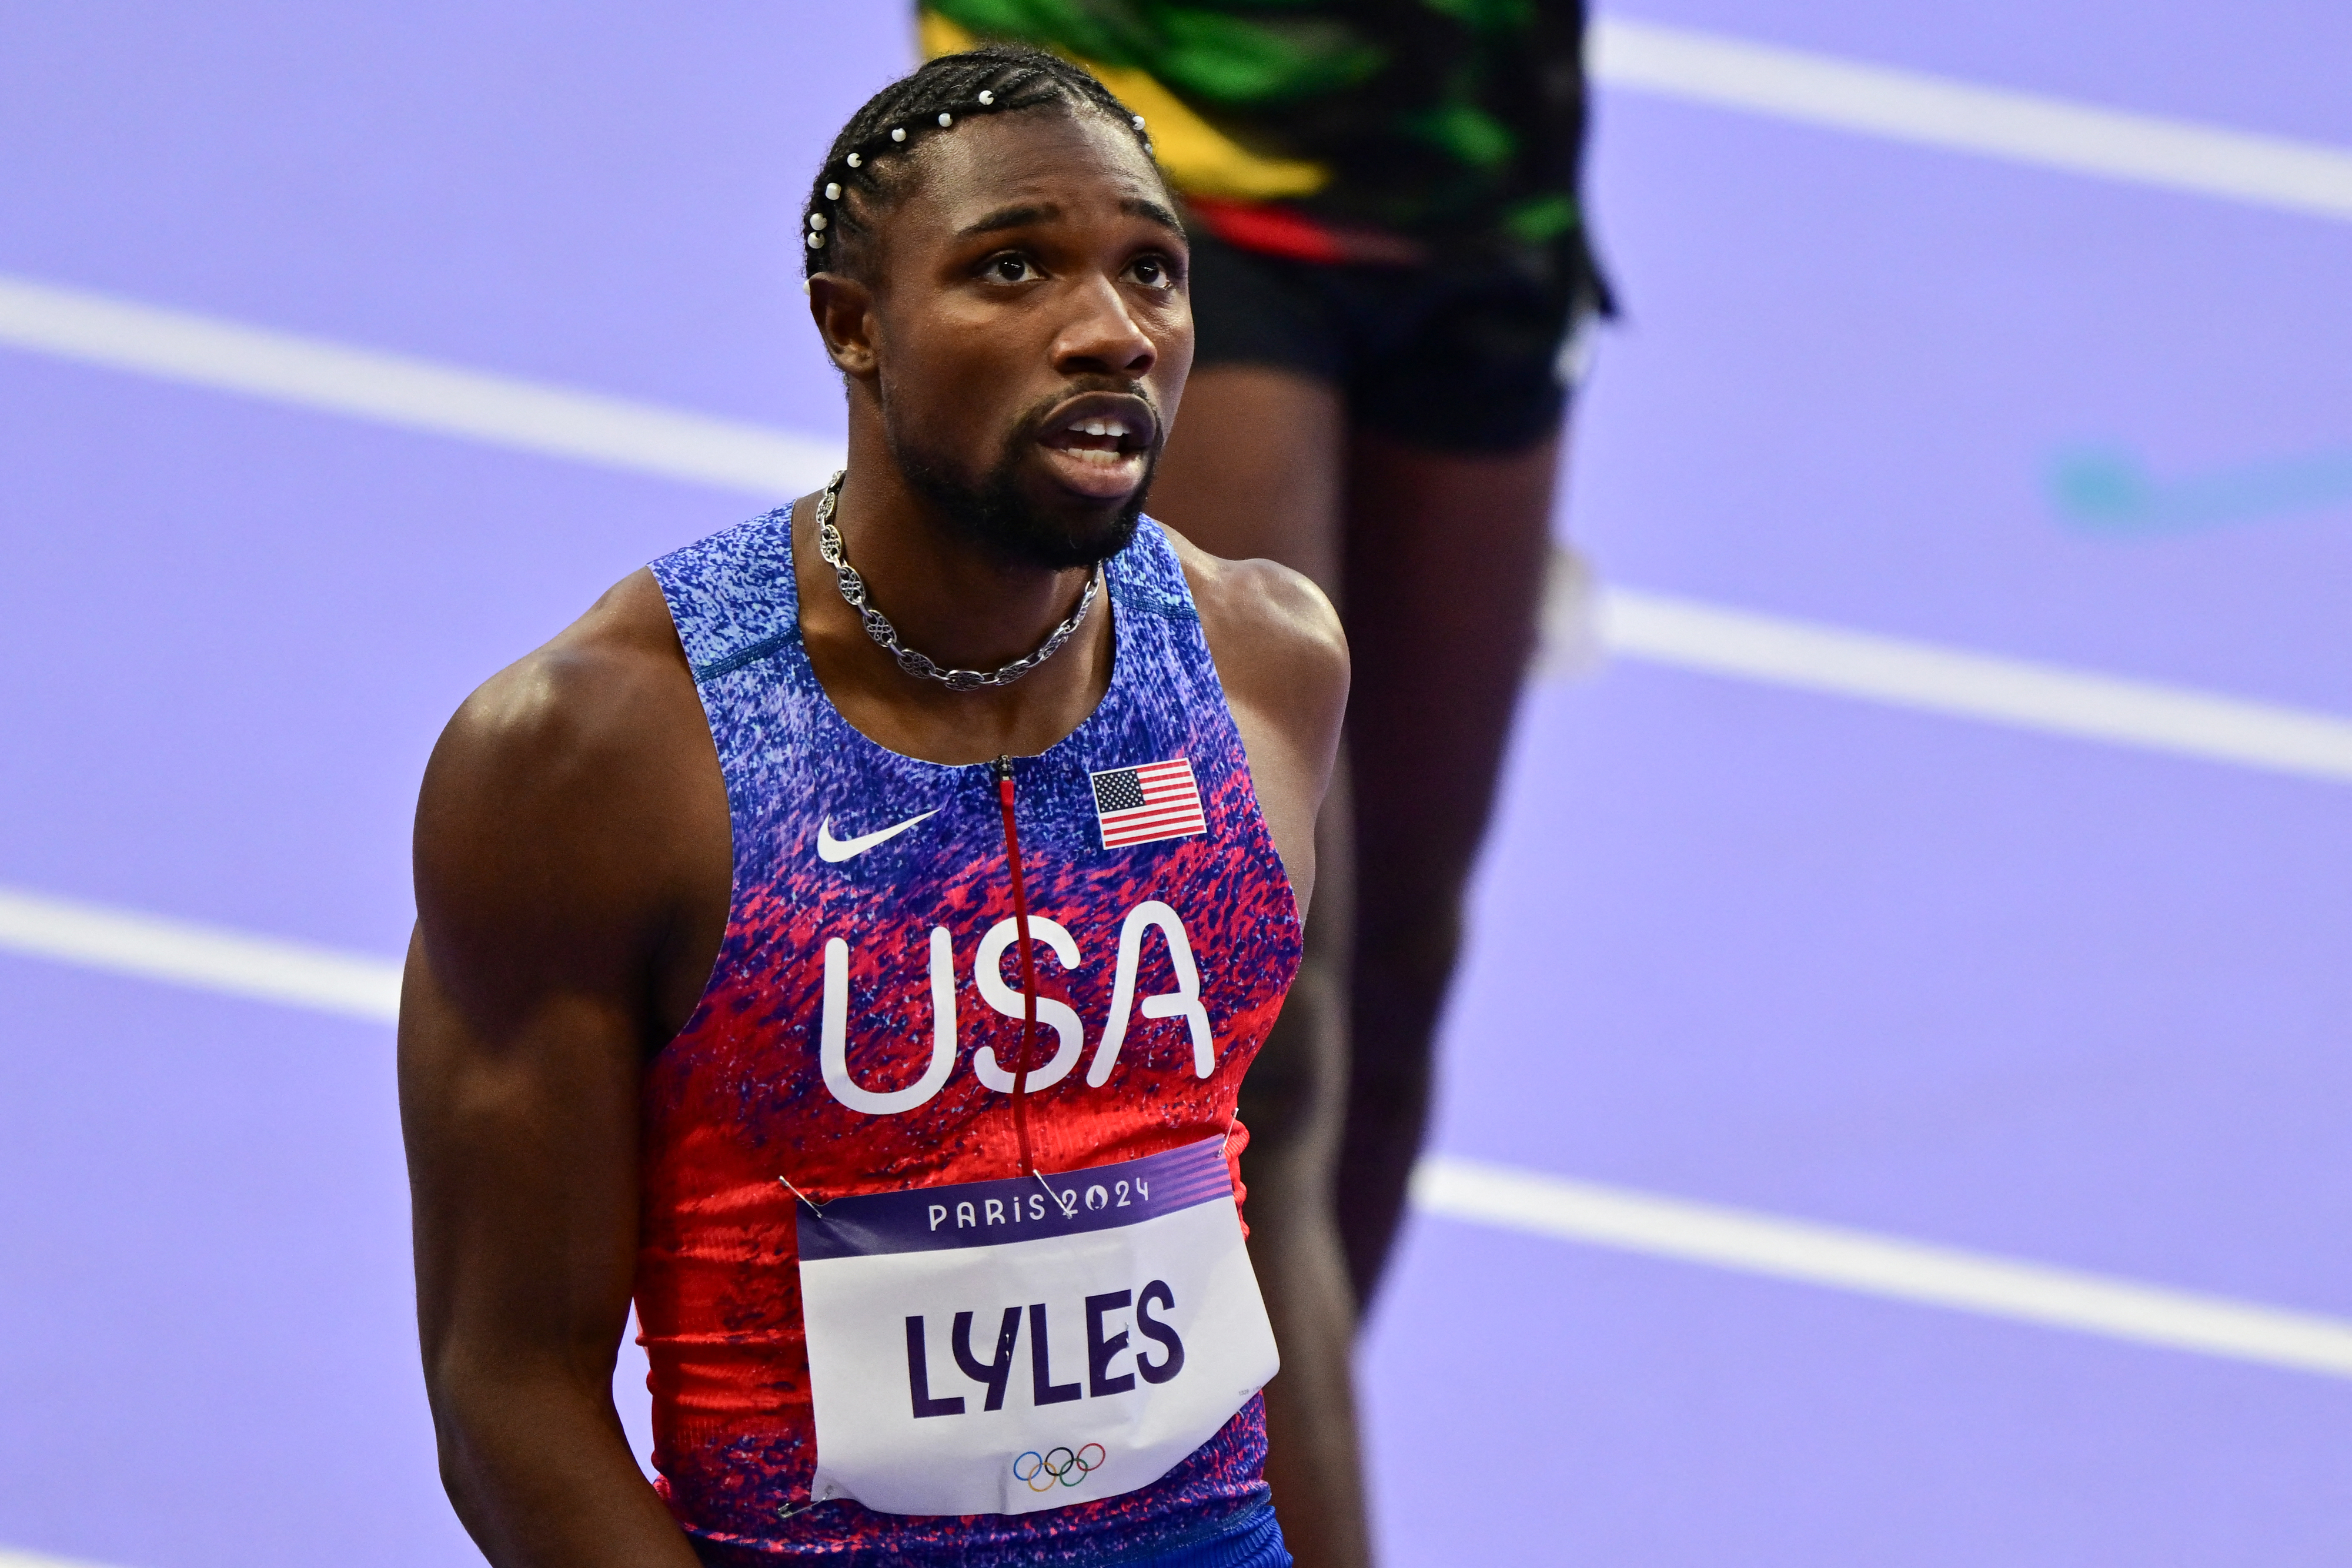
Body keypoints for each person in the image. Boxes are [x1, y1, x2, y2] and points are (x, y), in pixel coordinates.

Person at [398, 45, 1347, 1568]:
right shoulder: (599, 751)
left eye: (1152, 272)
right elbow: (508, 1392)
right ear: (855, 326)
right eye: (1015, 268)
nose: (1108, 329)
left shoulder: (1267, 666)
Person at [917, 6, 1612, 1564]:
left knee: (1400, 957)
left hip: (1473, 149)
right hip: (1159, 139)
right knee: (1262, 998)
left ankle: (1203, 1501)